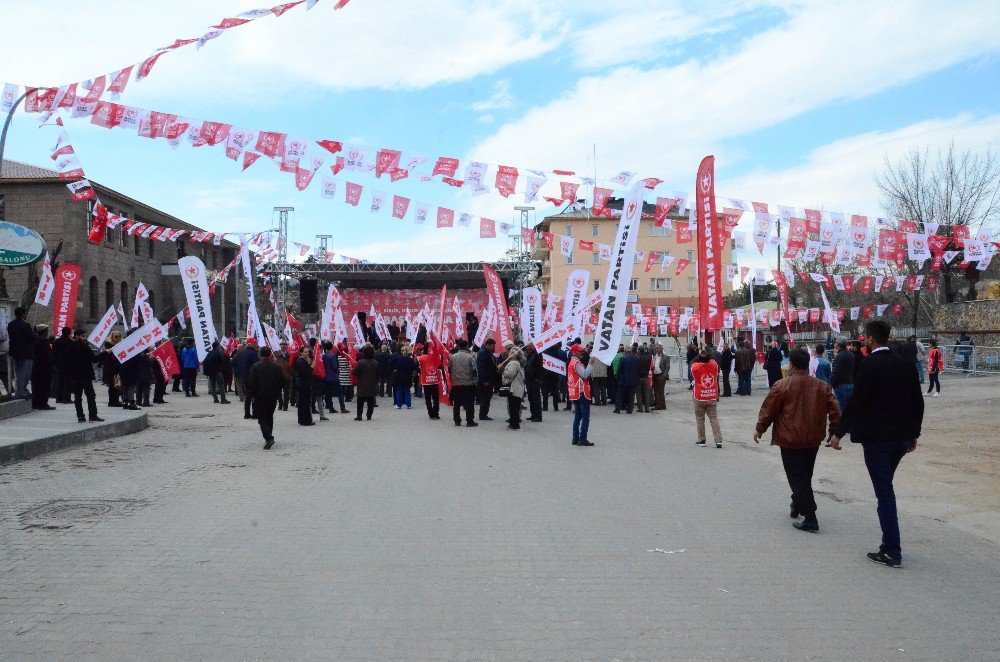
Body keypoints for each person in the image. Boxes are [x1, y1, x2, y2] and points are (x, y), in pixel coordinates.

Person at [829, 320, 924, 568]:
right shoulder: (905, 364)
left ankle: (892, 550)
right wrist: (914, 433)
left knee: (884, 492)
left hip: (878, 439)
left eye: (865, 337)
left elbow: (857, 402)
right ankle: (889, 544)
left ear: (871, 339)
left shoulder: (870, 365)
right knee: (885, 485)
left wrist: (838, 433)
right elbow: (917, 401)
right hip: (901, 437)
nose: (864, 340)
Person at [754, 348, 841, 532]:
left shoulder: (781, 385)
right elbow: (835, 411)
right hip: (812, 438)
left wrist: (760, 429)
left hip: (789, 438)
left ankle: (810, 516)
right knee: (804, 475)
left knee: (797, 477)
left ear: (791, 365)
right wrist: (834, 432)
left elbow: (769, 410)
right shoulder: (821, 386)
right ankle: (797, 504)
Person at [247, 346, 286, 449]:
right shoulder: (276, 366)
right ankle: (268, 436)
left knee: (262, 418)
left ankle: (268, 437)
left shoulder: (255, 366)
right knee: (269, 416)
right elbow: (282, 381)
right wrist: (277, 391)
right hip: (272, 396)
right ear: (269, 354)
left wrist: (251, 395)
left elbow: (252, 383)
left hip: (260, 396)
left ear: (260, 354)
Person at [64, 328, 103, 423]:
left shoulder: (70, 346)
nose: (84, 338)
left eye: (85, 336)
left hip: (75, 376)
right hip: (85, 375)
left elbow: (66, 362)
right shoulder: (84, 346)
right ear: (77, 336)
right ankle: (93, 415)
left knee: (78, 397)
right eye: (83, 336)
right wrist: (105, 353)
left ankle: (80, 416)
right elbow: (94, 359)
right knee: (90, 396)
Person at [691, 347, 723, 448]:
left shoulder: (695, 367)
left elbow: (692, 362)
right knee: (714, 418)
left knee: (700, 419)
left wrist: (700, 356)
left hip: (699, 396)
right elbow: (712, 359)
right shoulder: (714, 365)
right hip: (712, 395)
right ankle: (718, 440)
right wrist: (708, 355)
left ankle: (701, 440)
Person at [567, 343, 593, 446]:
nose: (581, 352)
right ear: (574, 352)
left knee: (578, 416)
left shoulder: (572, 362)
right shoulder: (576, 362)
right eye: (579, 351)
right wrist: (590, 364)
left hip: (576, 393)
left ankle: (575, 438)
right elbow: (585, 374)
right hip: (582, 392)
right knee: (585, 417)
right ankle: (582, 438)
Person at [447, 339, 478, 427]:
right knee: (469, 403)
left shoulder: (452, 357)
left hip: (456, 383)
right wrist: (475, 379)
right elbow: (474, 369)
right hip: (468, 383)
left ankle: (457, 420)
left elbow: (449, 368)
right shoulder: (470, 357)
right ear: (466, 347)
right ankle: (469, 420)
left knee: (456, 403)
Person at [7, 307, 35, 399]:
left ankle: (21, 390)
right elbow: (31, 338)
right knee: (25, 373)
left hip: (15, 352)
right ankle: (21, 392)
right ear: (23, 314)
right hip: (25, 352)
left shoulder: (10, 324)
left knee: (18, 373)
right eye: (25, 313)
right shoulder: (25, 325)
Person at [499, 346, 525, 430]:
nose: (509, 354)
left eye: (511, 353)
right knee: (513, 406)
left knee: (514, 407)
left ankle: (515, 425)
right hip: (515, 387)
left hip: (514, 388)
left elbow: (509, 374)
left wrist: (502, 369)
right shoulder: (515, 363)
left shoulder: (514, 363)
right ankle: (513, 424)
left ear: (515, 355)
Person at [352, 344, 380, 421]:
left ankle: (359, 416)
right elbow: (378, 374)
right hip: (372, 384)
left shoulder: (361, 362)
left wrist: (352, 370)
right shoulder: (376, 362)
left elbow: (355, 372)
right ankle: (369, 415)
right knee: (371, 401)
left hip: (362, 384)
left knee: (360, 401)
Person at [30, 325, 56, 410]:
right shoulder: (44, 340)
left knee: (36, 385)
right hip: (44, 366)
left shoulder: (35, 339)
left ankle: (35, 403)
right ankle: (43, 403)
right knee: (45, 385)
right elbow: (47, 354)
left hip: (36, 365)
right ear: (45, 331)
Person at [233, 339, 260, 418]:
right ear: (250, 344)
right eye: (255, 343)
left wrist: (239, 371)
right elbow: (257, 365)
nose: (256, 344)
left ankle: (247, 413)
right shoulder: (254, 353)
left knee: (248, 396)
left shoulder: (241, 353)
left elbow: (233, 362)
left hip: (244, 377)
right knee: (254, 395)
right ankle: (255, 413)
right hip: (252, 377)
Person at [415, 343, 441, 419]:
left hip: (426, 380)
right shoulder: (436, 357)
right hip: (435, 380)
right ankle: (436, 413)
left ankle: (431, 414)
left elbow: (415, 366)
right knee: (436, 398)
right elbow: (441, 366)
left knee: (428, 398)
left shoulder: (421, 358)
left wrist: (421, 370)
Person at [389, 344, 418, 409]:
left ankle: (399, 405)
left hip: (399, 376)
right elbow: (415, 366)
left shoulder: (397, 358)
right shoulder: (410, 359)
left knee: (399, 390)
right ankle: (409, 405)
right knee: (407, 391)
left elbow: (390, 363)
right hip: (407, 376)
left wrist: (394, 369)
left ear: (401, 351)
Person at [476, 339, 498, 421]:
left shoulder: (488, 352)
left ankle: (484, 413)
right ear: (487, 345)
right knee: (485, 397)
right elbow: (481, 368)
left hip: (490, 378)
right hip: (486, 379)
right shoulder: (483, 353)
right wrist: (485, 380)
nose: (493, 347)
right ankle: (483, 415)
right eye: (492, 346)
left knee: (487, 397)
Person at [830, 341, 855, 412]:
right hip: (850, 382)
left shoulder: (839, 356)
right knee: (849, 408)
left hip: (840, 385)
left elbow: (836, 372)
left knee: (841, 408)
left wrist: (832, 383)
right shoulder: (851, 354)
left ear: (839, 346)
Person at [615, 346, 640, 414]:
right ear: (631, 351)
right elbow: (638, 369)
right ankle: (629, 410)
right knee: (631, 396)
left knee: (620, 395)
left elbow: (619, 369)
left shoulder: (623, 358)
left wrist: (617, 376)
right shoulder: (637, 359)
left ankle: (618, 409)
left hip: (623, 380)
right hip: (633, 380)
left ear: (625, 352)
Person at [522, 343, 544, 420]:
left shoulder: (537, 354)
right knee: (531, 398)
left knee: (536, 398)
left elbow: (539, 368)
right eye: (528, 346)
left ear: (534, 346)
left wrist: (537, 379)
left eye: (530, 346)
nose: (528, 348)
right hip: (529, 379)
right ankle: (533, 414)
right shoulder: (529, 354)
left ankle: (538, 416)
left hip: (534, 380)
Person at [293, 346, 314, 426]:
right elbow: (305, 373)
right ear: (301, 353)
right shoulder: (300, 361)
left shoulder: (303, 360)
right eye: (305, 352)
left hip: (303, 384)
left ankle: (302, 419)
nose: (307, 354)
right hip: (303, 385)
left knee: (303, 403)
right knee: (305, 403)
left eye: (308, 352)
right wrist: (311, 367)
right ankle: (306, 420)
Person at [52, 326, 73, 404]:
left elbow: (53, 353)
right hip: (68, 364)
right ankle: (66, 398)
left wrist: (54, 363)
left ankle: (59, 398)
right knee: (67, 382)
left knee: (60, 381)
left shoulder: (56, 342)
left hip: (58, 364)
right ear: (69, 333)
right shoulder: (70, 342)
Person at [322, 342, 343, 414]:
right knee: (340, 392)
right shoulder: (332, 356)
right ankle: (342, 407)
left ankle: (330, 407)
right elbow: (334, 366)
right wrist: (338, 370)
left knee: (328, 393)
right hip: (334, 376)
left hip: (326, 376)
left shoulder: (323, 356)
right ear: (331, 348)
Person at [274, 341, 294, 411]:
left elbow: (292, 366)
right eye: (282, 345)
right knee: (278, 392)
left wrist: (291, 375)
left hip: (287, 376)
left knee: (286, 393)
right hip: (278, 377)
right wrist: (275, 361)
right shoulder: (276, 354)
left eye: (284, 345)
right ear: (280, 346)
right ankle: (280, 404)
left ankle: (285, 406)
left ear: (286, 346)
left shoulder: (289, 355)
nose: (283, 346)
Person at [636, 344, 653, 413]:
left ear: (639, 351)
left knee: (639, 393)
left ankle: (640, 408)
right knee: (646, 393)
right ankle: (647, 408)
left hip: (638, 377)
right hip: (646, 377)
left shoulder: (637, 358)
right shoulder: (648, 358)